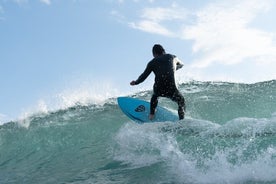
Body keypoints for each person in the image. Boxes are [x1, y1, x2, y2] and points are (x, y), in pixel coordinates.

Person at [130, 44, 186, 120]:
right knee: (181, 101)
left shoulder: (152, 62)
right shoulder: (172, 57)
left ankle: (152, 114)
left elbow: (144, 76)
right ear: (163, 51)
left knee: (155, 96)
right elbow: (181, 64)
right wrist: (175, 68)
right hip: (172, 88)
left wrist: (136, 82)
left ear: (154, 53)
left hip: (159, 88)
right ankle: (182, 120)